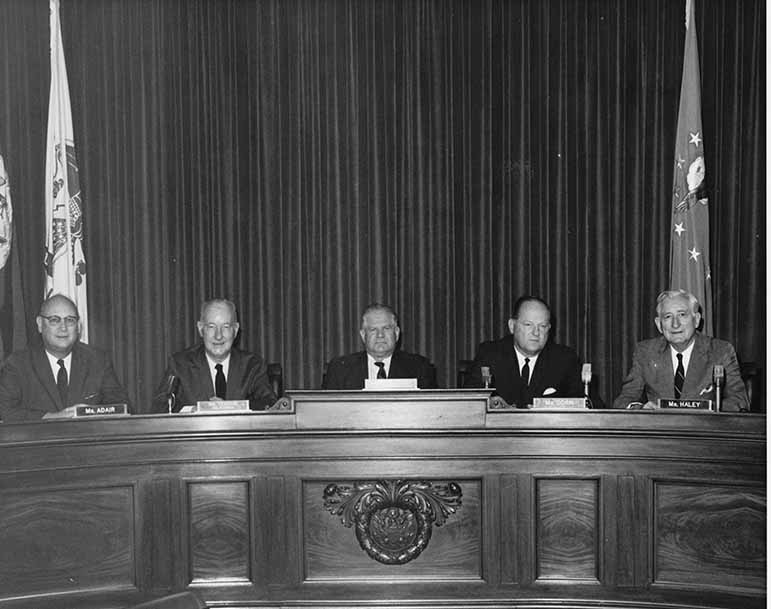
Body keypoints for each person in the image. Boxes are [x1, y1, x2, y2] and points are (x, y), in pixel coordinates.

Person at [0, 294, 129, 422]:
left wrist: (89, 413)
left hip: (84, 440)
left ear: (78, 326)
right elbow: (5, 411)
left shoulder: (98, 361)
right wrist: (53, 417)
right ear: (40, 324)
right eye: (54, 320)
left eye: (70, 320)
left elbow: (121, 406)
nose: (63, 328)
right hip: (38, 440)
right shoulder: (17, 365)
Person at [613, 289, 748, 411]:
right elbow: (624, 400)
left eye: (682, 315)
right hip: (661, 433)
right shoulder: (646, 352)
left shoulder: (720, 351)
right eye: (668, 317)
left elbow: (740, 401)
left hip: (704, 432)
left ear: (696, 320)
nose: (675, 324)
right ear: (659, 325)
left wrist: (707, 408)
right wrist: (640, 408)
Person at [152, 299, 276, 412]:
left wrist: (230, 407)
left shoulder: (252, 365)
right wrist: (193, 411)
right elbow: (160, 407)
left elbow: (270, 404)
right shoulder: (179, 364)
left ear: (236, 330)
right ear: (201, 329)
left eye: (225, 327)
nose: (218, 336)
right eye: (211, 327)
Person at [465, 296, 584, 407]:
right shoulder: (490, 354)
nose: (536, 333)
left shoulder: (565, 359)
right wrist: (488, 404)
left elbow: (589, 404)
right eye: (528, 325)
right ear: (512, 326)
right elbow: (469, 402)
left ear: (549, 329)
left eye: (542, 326)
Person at [322, 303, 437, 389]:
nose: (380, 335)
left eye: (386, 328)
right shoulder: (339, 369)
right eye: (373, 330)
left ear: (396, 333)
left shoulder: (419, 368)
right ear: (363, 335)